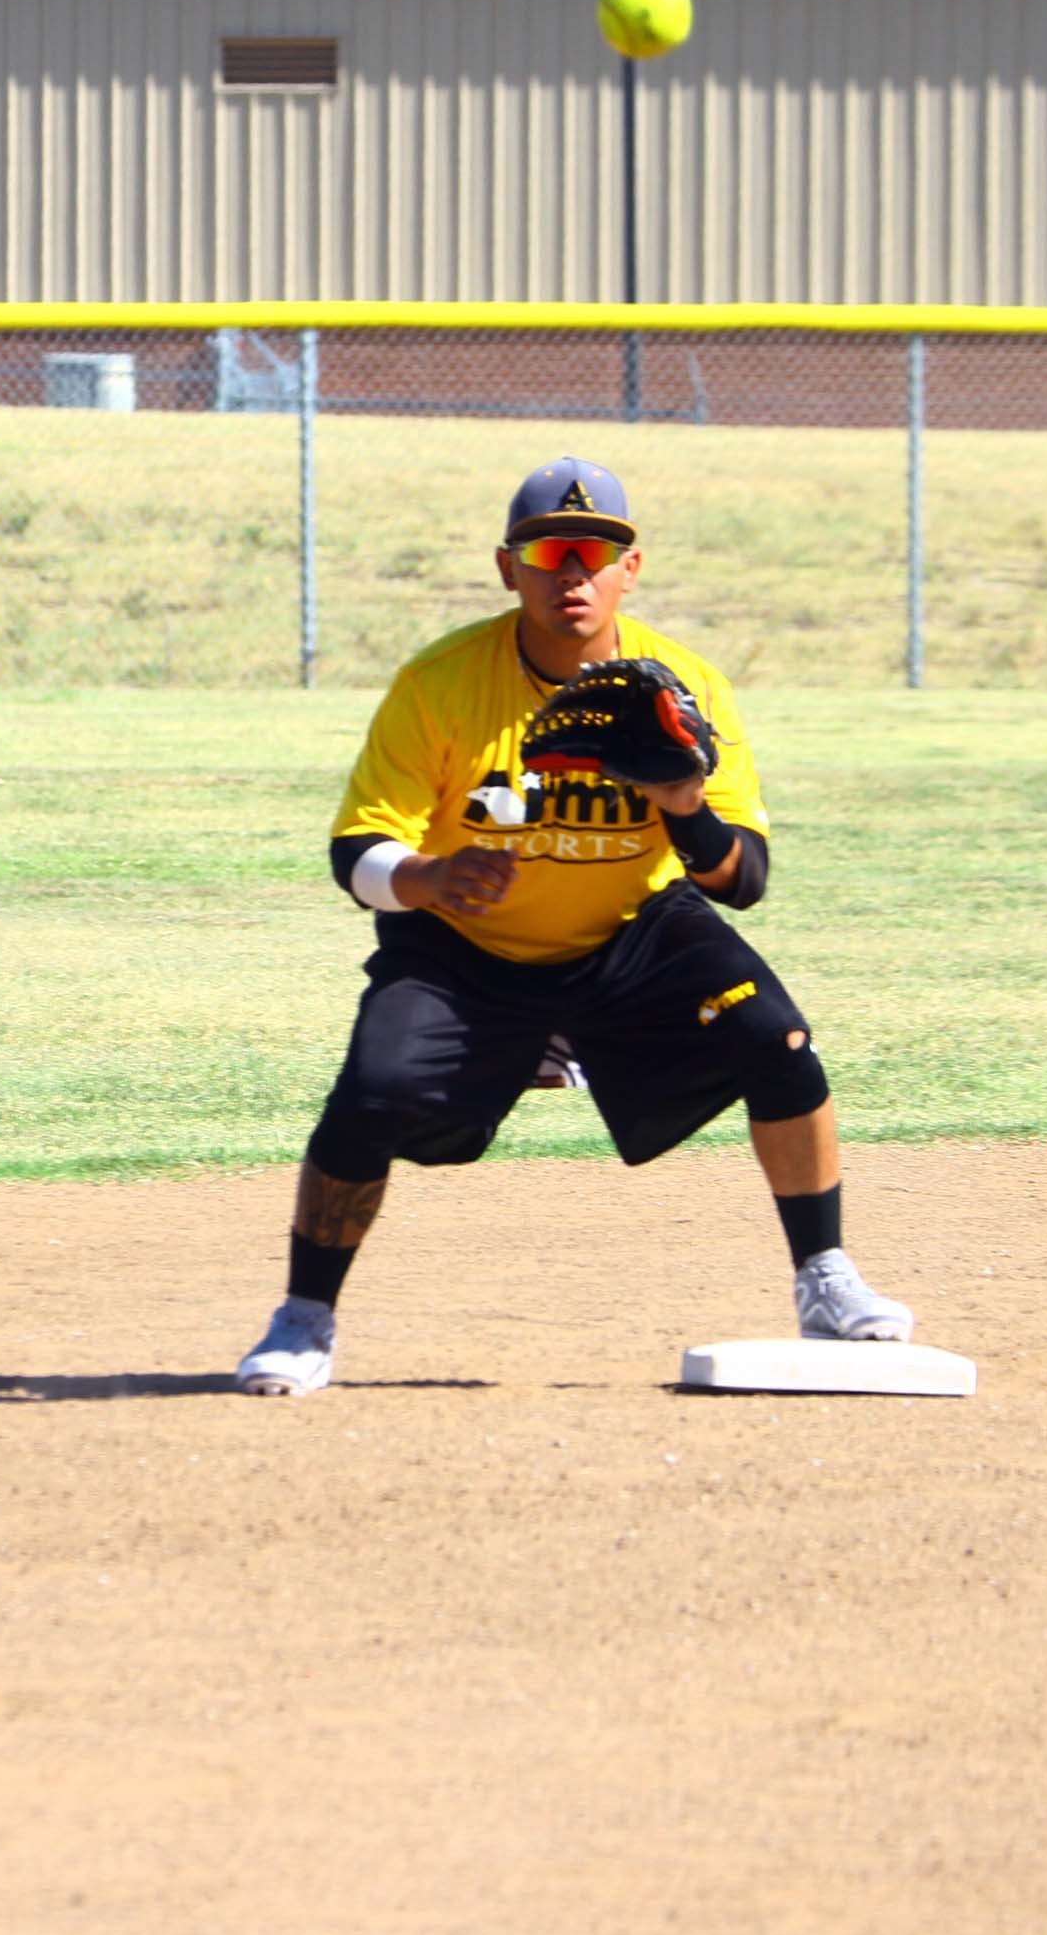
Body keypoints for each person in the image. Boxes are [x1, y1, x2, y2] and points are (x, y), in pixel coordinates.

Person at [234, 457, 915, 1396]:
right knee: (370, 1097)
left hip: (634, 937)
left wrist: (684, 802)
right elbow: (356, 853)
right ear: (507, 567)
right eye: (548, 552)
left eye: (598, 553)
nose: (573, 573)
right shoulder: (441, 685)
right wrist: (429, 876)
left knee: (777, 1038)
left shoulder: (686, 687)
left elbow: (743, 878)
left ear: (631, 570)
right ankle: (304, 1317)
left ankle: (825, 1278)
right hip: (466, 951)